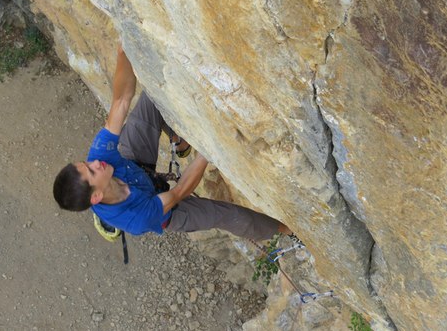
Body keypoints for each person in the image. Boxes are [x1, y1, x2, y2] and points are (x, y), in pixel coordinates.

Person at [53, 44, 291, 240]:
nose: (95, 163)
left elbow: (121, 102)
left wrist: (122, 52)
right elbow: (179, 193)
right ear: (95, 197)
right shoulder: (137, 218)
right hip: (168, 211)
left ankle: (180, 141)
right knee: (228, 216)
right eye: (92, 171)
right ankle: (286, 232)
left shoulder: (99, 158)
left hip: (133, 165)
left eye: (86, 163)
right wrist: (208, 151)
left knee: (152, 98)